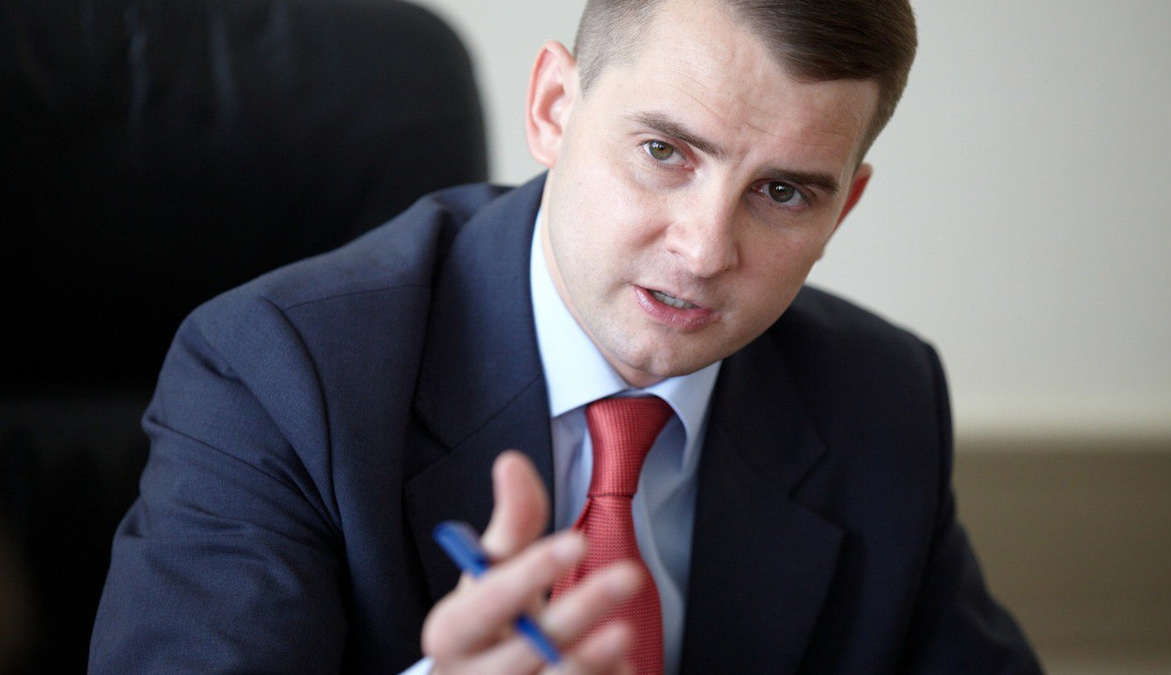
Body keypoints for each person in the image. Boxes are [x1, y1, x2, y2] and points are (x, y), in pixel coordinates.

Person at [90, 0, 1044, 673]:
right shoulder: (275, 370)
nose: (706, 249)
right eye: (664, 151)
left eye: (784, 192)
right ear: (554, 107)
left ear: (845, 208)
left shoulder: (880, 397)